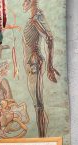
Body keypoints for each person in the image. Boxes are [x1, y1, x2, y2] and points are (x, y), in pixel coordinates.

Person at [22, 0, 60, 137]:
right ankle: (42, 138)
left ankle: (43, 139)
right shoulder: (32, 18)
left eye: (26, 0)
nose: (23, 4)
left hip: (35, 65)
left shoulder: (37, 17)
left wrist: (50, 67)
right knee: (37, 105)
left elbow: (49, 38)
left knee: (38, 106)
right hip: (31, 65)